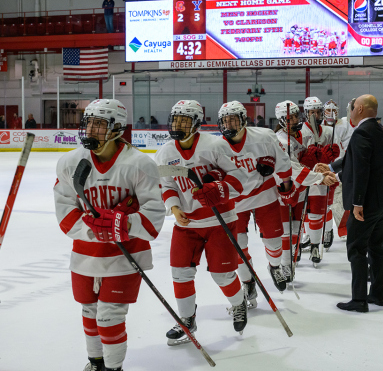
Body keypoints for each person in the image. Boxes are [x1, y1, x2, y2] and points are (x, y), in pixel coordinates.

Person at [54, 99, 166, 371]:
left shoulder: (139, 164)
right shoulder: (71, 162)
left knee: (109, 316)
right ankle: (96, 362)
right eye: (88, 122)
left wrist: (123, 224)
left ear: (116, 128)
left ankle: (114, 368)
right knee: (90, 312)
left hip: (126, 257)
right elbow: (65, 214)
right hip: (85, 255)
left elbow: (154, 218)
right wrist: (96, 229)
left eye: (99, 124)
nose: (91, 129)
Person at [155, 100, 248, 345]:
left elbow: (239, 180)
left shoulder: (215, 145)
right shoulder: (166, 153)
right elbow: (167, 185)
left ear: (196, 123)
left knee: (223, 275)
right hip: (187, 225)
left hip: (221, 221)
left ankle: (239, 304)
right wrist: (174, 207)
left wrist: (218, 189)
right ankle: (187, 320)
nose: (178, 125)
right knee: (180, 273)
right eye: (175, 119)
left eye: (184, 120)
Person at [216, 101, 294, 299]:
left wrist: (285, 185)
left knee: (275, 241)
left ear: (243, 120)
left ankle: (274, 266)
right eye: (225, 121)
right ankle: (248, 281)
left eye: (233, 120)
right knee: (238, 246)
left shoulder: (265, 136)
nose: (228, 125)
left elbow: (282, 161)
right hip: (235, 201)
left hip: (264, 194)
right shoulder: (216, 146)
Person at [330, 94, 383, 312]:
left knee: (356, 248)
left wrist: (357, 204)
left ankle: (359, 300)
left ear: (359, 109)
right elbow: (359, 163)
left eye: (351, 106)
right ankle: (377, 295)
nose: (349, 110)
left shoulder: (361, 133)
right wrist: (332, 169)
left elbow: (361, 171)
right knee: (377, 247)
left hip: (367, 204)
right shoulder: (377, 131)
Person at [275, 101, 337, 280]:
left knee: (296, 231)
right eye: (290, 117)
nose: (295, 120)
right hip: (283, 193)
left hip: (299, 190)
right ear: (281, 120)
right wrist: (319, 177)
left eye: (296, 115)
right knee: (286, 232)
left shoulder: (294, 138)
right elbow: (292, 169)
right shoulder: (281, 141)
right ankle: (283, 264)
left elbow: (302, 165)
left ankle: (290, 263)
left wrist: (317, 165)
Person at [300, 97, 340, 266]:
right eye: (311, 112)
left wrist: (329, 157)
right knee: (304, 213)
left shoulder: (329, 132)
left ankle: (322, 237)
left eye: (317, 112)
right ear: (306, 113)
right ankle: (308, 237)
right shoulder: (300, 132)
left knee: (320, 210)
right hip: (304, 177)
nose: (315, 115)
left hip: (322, 178)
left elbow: (335, 154)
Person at [321, 99, 354, 245]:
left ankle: (343, 229)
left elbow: (349, 145)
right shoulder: (319, 126)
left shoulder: (344, 124)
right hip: (323, 168)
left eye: (334, 110)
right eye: (328, 110)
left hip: (339, 167)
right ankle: (319, 231)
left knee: (339, 200)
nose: (331, 113)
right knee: (321, 202)